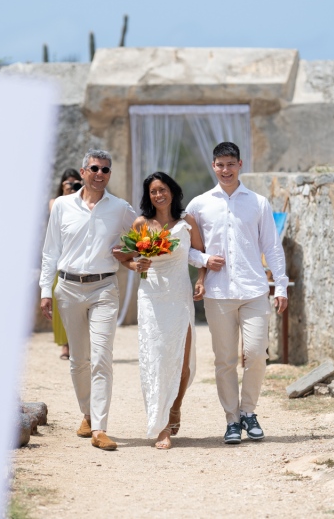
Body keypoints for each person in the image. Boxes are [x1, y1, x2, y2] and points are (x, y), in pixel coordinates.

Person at [186, 142, 288, 445]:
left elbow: (271, 245)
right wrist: (204, 261)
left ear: (240, 165)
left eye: (231, 164)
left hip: (254, 289)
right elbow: (186, 246)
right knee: (225, 359)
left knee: (257, 354)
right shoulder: (199, 204)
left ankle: (248, 412)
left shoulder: (257, 202)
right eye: (220, 164)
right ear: (213, 167)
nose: (226, 170)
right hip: (218, 294)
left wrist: (280, 284)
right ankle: (231, 420)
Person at [39, 150, 136, 451]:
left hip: (104, 289)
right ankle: (86, 413)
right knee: (79, 360)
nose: (99, 174)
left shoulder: (120, 208)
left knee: (102, 357)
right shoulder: (62, 207)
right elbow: (50, 251)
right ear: (82, 172)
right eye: (94, 168)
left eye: (105, 170)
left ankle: (100, 428)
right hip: (68, 289)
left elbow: (143, 232)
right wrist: (45, 290)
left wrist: (130, 255)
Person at [120, 172, 206, 450]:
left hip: (179, 295)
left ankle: (176, 406)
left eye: (163, 189)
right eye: (154, 191)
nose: (159, 195)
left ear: (172, 191)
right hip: (151, 297)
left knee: (181, 361)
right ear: (148, 196)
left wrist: (202, 280)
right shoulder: (141, 224)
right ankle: (161, 428)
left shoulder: (186, 222)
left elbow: (201, 255)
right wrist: (135, 266)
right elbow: (124, 256)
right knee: (155, 360)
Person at [48, 169, 83, 360]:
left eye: (76, 183)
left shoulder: (85, 202)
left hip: (79, 257)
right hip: (61, 258)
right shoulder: (56, 202)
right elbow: (56, 216)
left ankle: (79, 344)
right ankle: (65, 345)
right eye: (68, 183)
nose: (73, 186)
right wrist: (66, 194)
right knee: (61, 300)